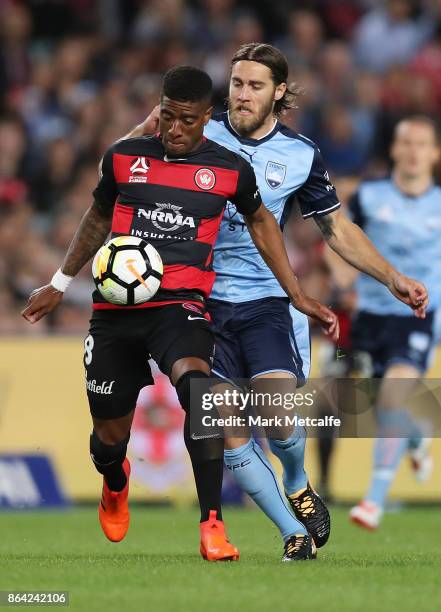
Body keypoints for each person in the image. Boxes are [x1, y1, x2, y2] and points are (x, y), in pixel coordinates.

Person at [21, 65, 339, 562]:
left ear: (204, 118)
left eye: (186, 120)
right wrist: (60, 283)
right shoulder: (126, 157)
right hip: (116, 313)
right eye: (166, 117)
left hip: (182, 309)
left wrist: (296, 293)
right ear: (157, 112)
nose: (174, 129)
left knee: (201, 394)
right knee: (109, 437)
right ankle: (115, 478)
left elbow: (262, 222)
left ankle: (213, 525)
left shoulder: (229, 169)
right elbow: (97, 215)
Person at [126, 44, 428, 560]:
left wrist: (391, 276)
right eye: (237, 84)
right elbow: (122, 166)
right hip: (196, 303)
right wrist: (142, 129)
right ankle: (293, 533)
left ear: (279, 93)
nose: (242, 95)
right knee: (227, 427)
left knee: (279, 415)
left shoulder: (300, 154)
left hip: (266, 301)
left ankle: (296, 479)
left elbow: (336, 228)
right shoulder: (196, 131)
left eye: (256, 86)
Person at [348, 116, 440, 530]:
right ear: (395, 149)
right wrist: (341, 280)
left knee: (393, 396)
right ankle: (417, 436)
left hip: (419, 315)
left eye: (423, 143)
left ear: (435, 153)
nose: (414, 150)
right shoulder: (368, 197)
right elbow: (340, 238)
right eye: (407, 142)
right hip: (369, 316)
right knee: (384, 406)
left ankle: (373, 501)